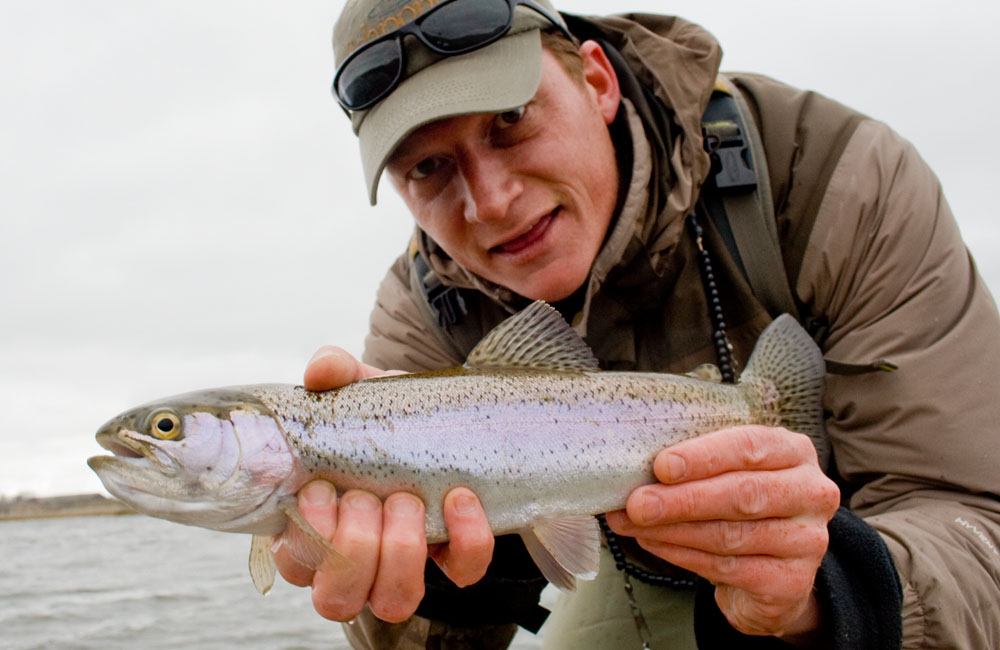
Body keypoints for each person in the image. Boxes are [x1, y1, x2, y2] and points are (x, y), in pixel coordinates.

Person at [274, 0, 1000, 647]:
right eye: (428, 168)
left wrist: (833, 596)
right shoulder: (419, 313)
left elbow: (978, 522)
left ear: (597, 81)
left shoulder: (833, 177)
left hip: (881, 553)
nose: (490, 201)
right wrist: (448, 579)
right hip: (625, 570)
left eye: (511, 120)